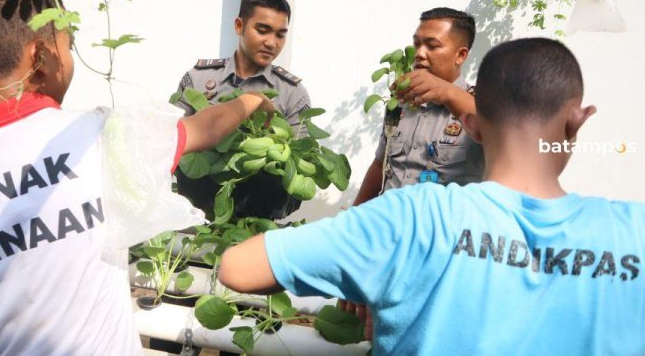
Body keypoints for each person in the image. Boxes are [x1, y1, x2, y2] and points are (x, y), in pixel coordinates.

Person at [0, 0, 275, 356]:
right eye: (69, 45)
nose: (71, 58)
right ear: (40, 56)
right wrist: (252, 101)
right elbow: (201, 129)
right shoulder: (102, 134)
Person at [218, 38, 645, 355]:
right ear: (577, 121)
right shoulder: (634, 232)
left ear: (473, 127)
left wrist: (363, 264)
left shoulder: (412, 217)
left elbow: (237, 267)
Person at [172, 0, 310, 221]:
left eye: (280, 35)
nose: (271, 42)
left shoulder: (292, 93)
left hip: (258, 221)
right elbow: (172, 141)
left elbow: (300, 162)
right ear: (239, 26)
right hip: (197, 216)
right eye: (262, 30)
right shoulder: (198, 78)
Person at [354, 7, 484, 206]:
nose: (419, 53)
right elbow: (381, 164)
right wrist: (355, 215)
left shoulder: (483, 103)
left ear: (460, 55)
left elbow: (498, 131)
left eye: (432, 46)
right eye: (417, 44)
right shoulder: (400, 103)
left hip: (444, 233)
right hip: (389, 227)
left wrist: (446, 92)